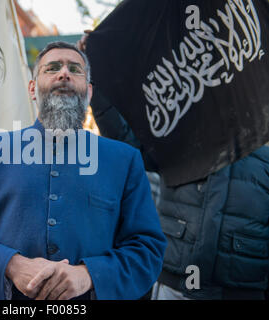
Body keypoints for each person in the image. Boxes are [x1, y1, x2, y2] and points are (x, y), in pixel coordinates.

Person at [0, 41, 167, 300]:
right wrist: (11, 265)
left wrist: (89, 275)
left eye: (75, 69)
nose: (64, 73)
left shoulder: (124, 160)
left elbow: (148, 250)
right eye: (52, 68)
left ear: (89, 93)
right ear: (32, 89)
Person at [78, 31, 269, 301]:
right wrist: (96, 79)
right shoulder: (177, 139)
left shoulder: (265, 160)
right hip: (173, 287)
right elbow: (124, 140)